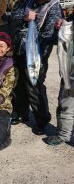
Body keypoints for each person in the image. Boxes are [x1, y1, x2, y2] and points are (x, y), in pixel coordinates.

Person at [11, 0, 64, 134]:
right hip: (20, 52)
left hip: (36, 57)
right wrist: (26, 18)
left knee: (35, 88)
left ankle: (42, 120)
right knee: (19, 85)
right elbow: (15, 17)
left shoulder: (55, 9)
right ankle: (22, 113)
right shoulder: (28, 2)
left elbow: (49, 37)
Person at [44, 16, 74, 146]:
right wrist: (58, 27)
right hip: (70, 73)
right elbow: (58, 39)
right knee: (66, 104)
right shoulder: (70, 20)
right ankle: (64, 135)